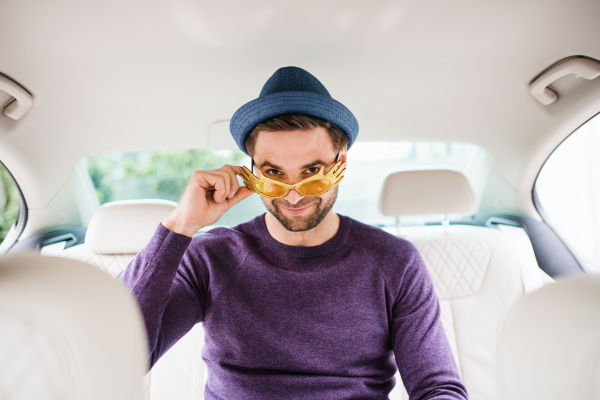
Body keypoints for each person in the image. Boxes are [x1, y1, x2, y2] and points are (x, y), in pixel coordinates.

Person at [118, 67, 469, 400]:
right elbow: (120, 358)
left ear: (341, 162)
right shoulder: (209, 258)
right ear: (252, 171)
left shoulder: (394, 262)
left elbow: (438, 388)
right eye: (273, 172)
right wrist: (180, 226)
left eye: (312, 170)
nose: (294, 193)